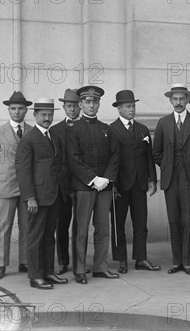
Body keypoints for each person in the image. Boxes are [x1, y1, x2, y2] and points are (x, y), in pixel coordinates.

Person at [153, 84, 190, 275]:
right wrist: (167, 165)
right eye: (175, 99)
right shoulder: (163, 123)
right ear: (171, 101)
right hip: (171, 178)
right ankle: (176, 261)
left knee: (188, 220)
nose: (178, 103)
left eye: (182, 99)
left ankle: (187, 261)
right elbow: (156, 152)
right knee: (174, 221)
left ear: (188, 100)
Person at [67, 86, 120, 284]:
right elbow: (73, 159)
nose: (91, 105)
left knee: (103, 228)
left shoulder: (106, 129)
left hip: (104, 186)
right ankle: (79, 269)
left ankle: (100, 267)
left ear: (98, 104)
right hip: (83, 187)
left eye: (94, 102)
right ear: (80, 104)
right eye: (87, 102)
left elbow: (115, 156)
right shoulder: (73, 130)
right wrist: (93, 179)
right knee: (81, 229)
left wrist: (106, 178)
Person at [15, 98, 68, 289]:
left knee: (48, 237)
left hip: (53, 196)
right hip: (37, 198)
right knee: (35, 237)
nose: (47, 118)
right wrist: (30, 198)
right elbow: (23, 171)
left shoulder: (53, 137)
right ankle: (35, 276)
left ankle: (48, 272)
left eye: (50, 115)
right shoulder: (28, 140)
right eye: (43, 115)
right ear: (35, 115)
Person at [110, 90, 160, 274]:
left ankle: (141, 258)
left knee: (141, 222)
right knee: (118, 224)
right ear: (119, 109)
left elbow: (149, 157)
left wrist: (152, 180)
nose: (132, 109)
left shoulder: (142, 129)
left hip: (139, 184)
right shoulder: (111, 130)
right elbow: (111, 160)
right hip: (120, 186)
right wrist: (112, 184)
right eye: (128, 106)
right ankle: (121, 259)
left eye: (133, 106)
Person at [0, 91, 32, 280]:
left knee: (26, 225)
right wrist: (0, 178)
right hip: (6, 186)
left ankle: (25, 261)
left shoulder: (31, 131)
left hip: (27, 188)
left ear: (26, 110)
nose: (17, 112)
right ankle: (1, 264)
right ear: (9, 110)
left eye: (21, 108)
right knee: (4, 226)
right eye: (13, 109)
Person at [50, 88, 81, 275]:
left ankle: (80, 261)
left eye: (76, 106)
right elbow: (55, 160)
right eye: (69, 106)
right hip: (62, 187)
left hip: (82, 185)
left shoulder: (86, 127)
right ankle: (62, 261)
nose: (72, 109)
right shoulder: (55, 130)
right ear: (63, 107)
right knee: (61, 225)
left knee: (81, 226)